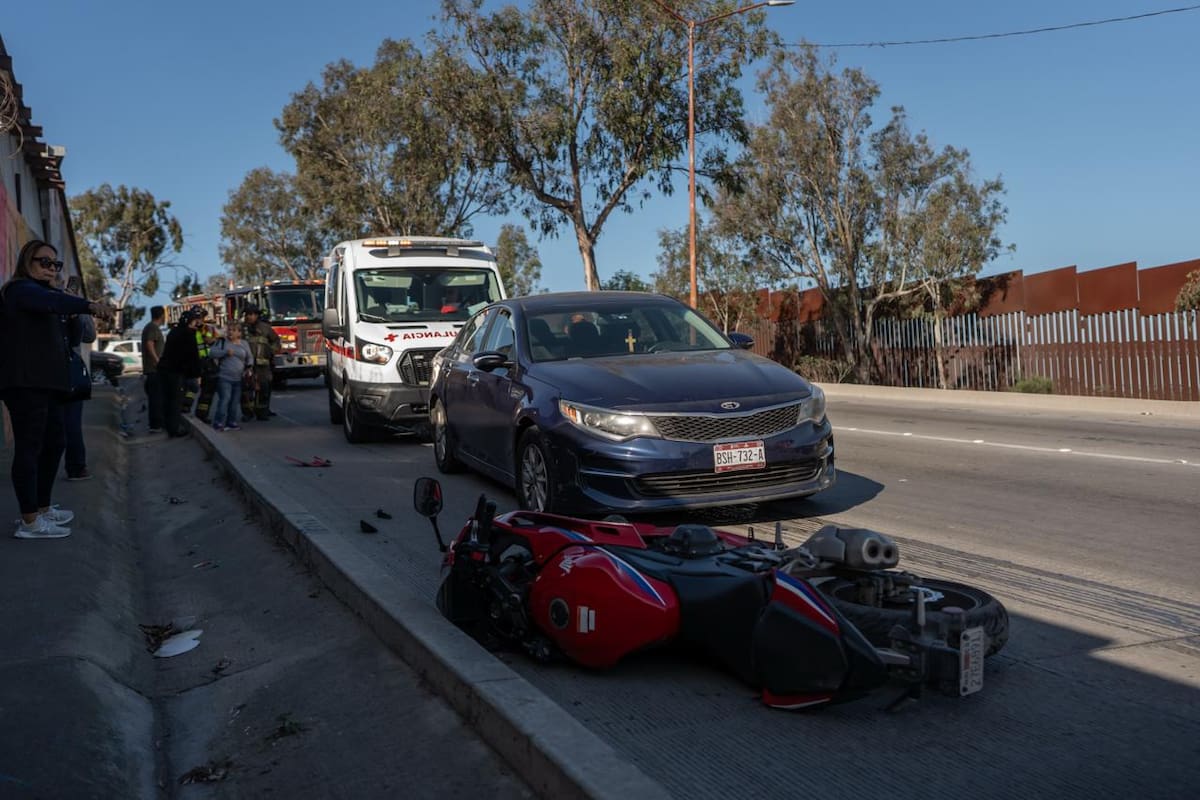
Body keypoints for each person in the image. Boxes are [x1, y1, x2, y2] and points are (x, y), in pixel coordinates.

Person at [0, 240, 112, 539]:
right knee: (30, 447)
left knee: (55, 442)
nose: (51, 268)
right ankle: (29, 522)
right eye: (44, 262)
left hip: (48, 383)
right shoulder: (19, 290)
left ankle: (42, 508)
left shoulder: (50, 297)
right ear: (27, 262)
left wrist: (74, 314)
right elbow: (47, 301)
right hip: (25, 383)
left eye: (56, 264)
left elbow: (71, 337)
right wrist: (87, 305)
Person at [60, 276, 96, 481]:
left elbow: (89, 336)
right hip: (48, 372)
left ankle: (76, 466)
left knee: (72, 423)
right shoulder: (42, 299)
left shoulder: (74, 304)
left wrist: (77, 307)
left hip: (70, 371)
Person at [156, 309, 203, 437]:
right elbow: (193, 356)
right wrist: (197, 375)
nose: (196, 324)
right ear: (190, 322)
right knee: (175, 401)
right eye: (194, 321)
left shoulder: (173, 332)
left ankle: (168, 426)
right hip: (176, 372)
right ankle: (174, 429)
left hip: (164, 370)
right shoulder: (188, 334)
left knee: (167, 400)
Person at [208, 324, 252, 431]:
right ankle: (218, 422)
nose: (230, 332)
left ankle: (231, 422)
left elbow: (249, 357)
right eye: (229, 330)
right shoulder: (222, 342)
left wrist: (249, 367)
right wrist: (225, 352)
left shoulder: (244, 344)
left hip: (239, 378)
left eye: (233, 330)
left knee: (234, 401)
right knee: (225, 399)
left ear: (239, 333)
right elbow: (211, 353)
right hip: (224, 377)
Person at [241, 305, 280, 421]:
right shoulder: (241, 329)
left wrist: (270, 351)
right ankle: (247, 413)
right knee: (246, 389)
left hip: (263, 365)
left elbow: (276, 341)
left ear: (257, 315)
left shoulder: (265, 328)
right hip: (246, 365)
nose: (250, 317)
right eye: (248, 314)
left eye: (252, 314)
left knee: (264, 388)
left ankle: (262, 412)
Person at [141, 306, 166, 432]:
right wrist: (157, 361)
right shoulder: (152, 328)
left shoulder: (151, 327)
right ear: (162, 315)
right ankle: (156, 425)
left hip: (153, 369)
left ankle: (157, 423)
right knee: (156, 398)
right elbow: (149, 344)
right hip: (154, 369)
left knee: (156, 397)